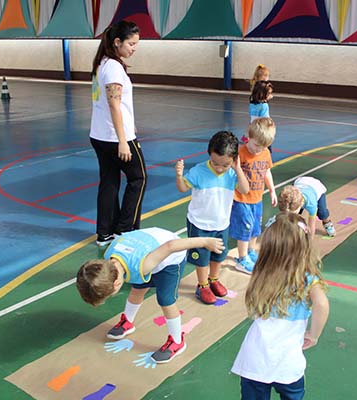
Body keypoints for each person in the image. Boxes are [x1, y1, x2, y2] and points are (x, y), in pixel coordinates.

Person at [76, 229, 224, 364]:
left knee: (166, 301)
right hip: (148, 247)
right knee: (137, 289)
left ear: (116, 284)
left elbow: (171, 246)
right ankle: (127, 322)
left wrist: (205, 242)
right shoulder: (110, 258)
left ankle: (177, 342)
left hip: (170, 257)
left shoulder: (142, 265)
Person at [231, 212, 329, 400]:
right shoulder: (307, 280)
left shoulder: (261, 274)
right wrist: (314, 335)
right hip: (288, 364)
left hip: (254, 361)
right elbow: (322, 304)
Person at [175, 131, 250, 305]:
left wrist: (237, 168)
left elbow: (245, 190)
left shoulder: (232, 173)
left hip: (221, 223)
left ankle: (214, 279)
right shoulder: (198, 171)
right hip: (199, 223)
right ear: (209, 154)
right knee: (202, 258)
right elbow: (182, 188)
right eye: (215, 163)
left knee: (218, 255)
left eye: (225, 164)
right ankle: (202, 285)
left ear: (234, 160)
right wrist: (179, 176)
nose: (219, 168)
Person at [90, 21, 147, 247]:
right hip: (115, 138)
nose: (134, 48)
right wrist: (123, 141)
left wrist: (129, 124)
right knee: (139, 178)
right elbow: (114, 104)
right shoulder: (113, 67)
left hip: (99, 135)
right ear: (117, 42)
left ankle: (105, 233)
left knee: (109, 181)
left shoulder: (102, 63)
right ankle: (125, 229)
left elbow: (114, 105)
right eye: (131, 44)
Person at [231, 117, 277, 274]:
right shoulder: (240, 153)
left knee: (256, 228)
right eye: (256, 145)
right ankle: (242, 259)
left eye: (264, 146)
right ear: (248, 137)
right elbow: (231, 174)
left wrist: (271, 190)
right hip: (241, 198)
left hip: (257, 198)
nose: (259, 150)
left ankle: (251, 251)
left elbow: (266, 172)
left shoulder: (264, 153)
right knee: (245, 226)